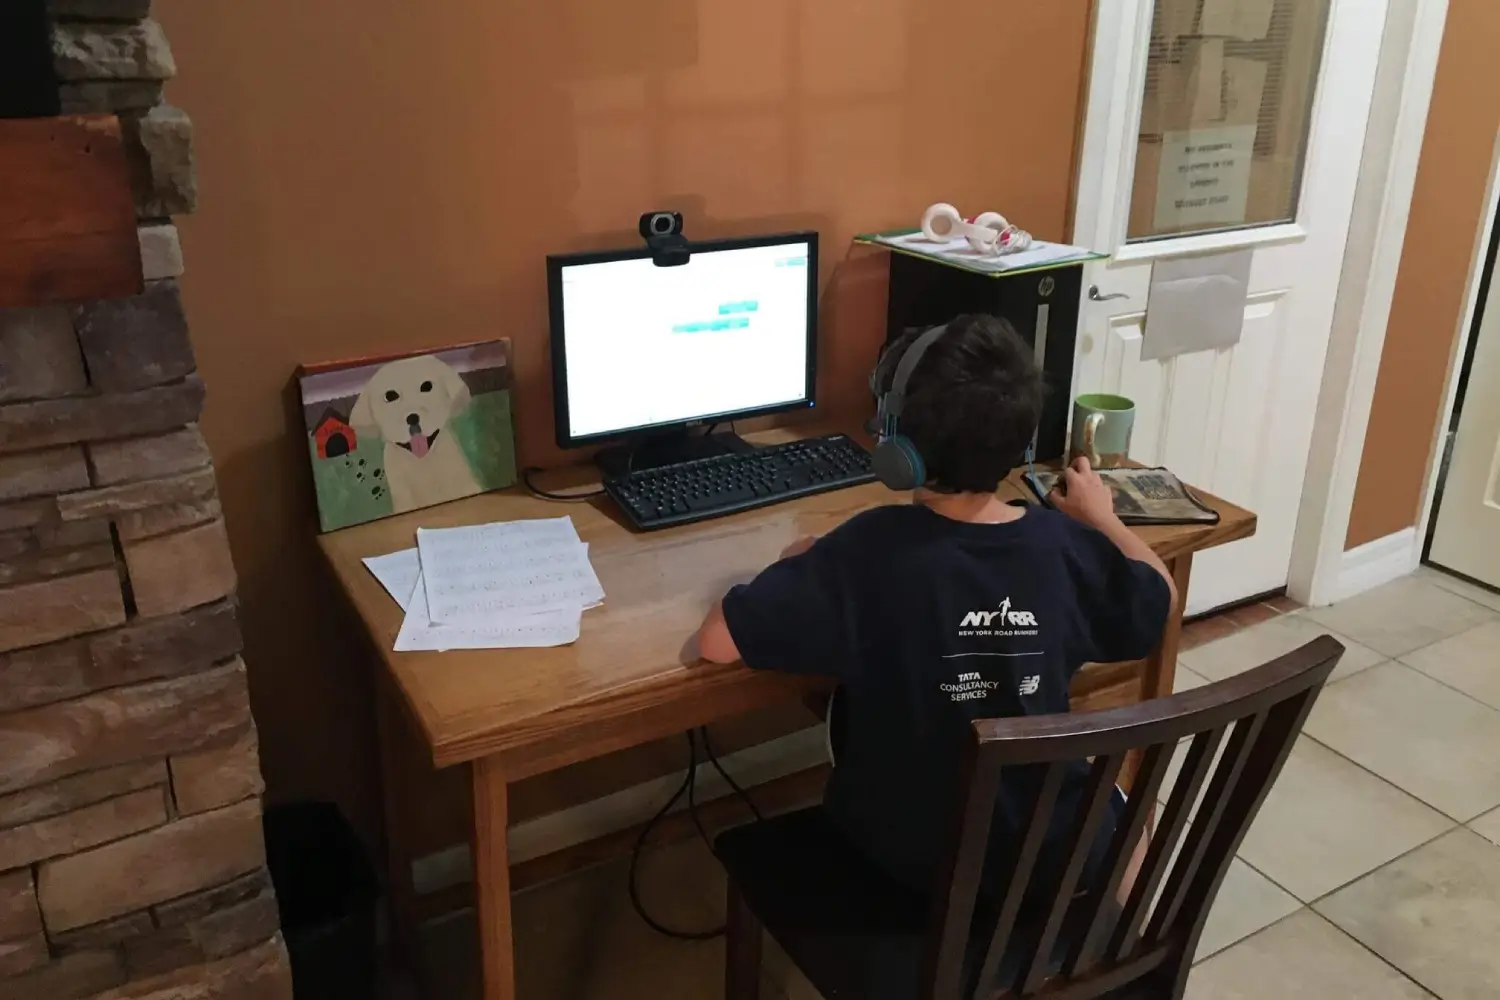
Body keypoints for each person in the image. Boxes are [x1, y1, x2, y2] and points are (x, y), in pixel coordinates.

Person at [693, 313, 1175, 907]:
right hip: (1049, 861)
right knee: (1120, 809)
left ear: (900, 441)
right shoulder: (1064, 547)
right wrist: (1101, 518)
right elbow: (1159, 596)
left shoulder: (867, 550)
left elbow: (717, 643)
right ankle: (1107, 957)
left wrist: (802, 560)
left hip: (914, 870)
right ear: (1022, 437)